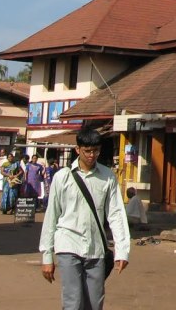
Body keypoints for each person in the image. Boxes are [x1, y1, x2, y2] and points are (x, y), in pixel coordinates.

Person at [40, 126, 130, 310]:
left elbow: (116, 214)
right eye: (87, 151)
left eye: (95, 150)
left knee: (94, 303)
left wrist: (122, 251)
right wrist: (47, 256)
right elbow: (52, 217)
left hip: (96, 249)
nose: (91, 155)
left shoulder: (108, 177)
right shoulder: (62, 177)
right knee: (73, 302)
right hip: (68, 245)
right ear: (78, 150)